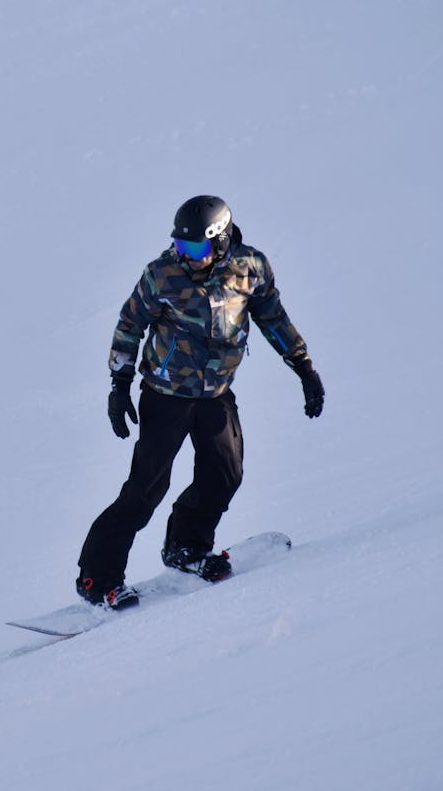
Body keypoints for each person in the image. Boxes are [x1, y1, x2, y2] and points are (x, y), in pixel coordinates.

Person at [75, 195, 324, 608]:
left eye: (198, 248)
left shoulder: (251, 269)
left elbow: (273, 317)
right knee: (144, 492)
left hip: (215, 395)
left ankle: (186, 548)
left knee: (225, 475)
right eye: (182, 247)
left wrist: (303, 367)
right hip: (165, 396)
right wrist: (119, 386)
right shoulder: (162, 276)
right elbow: (129, 325)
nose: (189, 256)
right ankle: (96, 580)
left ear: (222, 240)